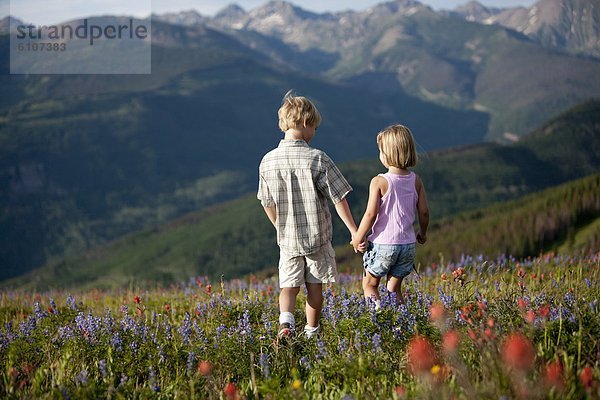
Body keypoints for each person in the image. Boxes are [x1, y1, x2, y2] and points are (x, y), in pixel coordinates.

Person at [257, 90, 358, 339]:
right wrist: (354, 231)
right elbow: (339, 198)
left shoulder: (267, 161)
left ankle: (286, 324)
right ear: (305, 123)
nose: (314, 132)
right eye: (314, 127)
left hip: (288, 240)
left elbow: (266, 201)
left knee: (288, 287)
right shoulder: (318, 159)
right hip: (317, 238)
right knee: (315, 288)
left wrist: (279, 225)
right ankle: (312, 331)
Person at [351, 124, 429, 309]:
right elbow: (424, 212)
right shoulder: (415, 180)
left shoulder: (379, 181)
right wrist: (423, 232)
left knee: (370, 284)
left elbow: (371, 214)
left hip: (383, 244)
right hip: (407, 245)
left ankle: (378, 319)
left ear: (386, 154)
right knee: (394, 290)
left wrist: (358, 237)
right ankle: (400, 323)